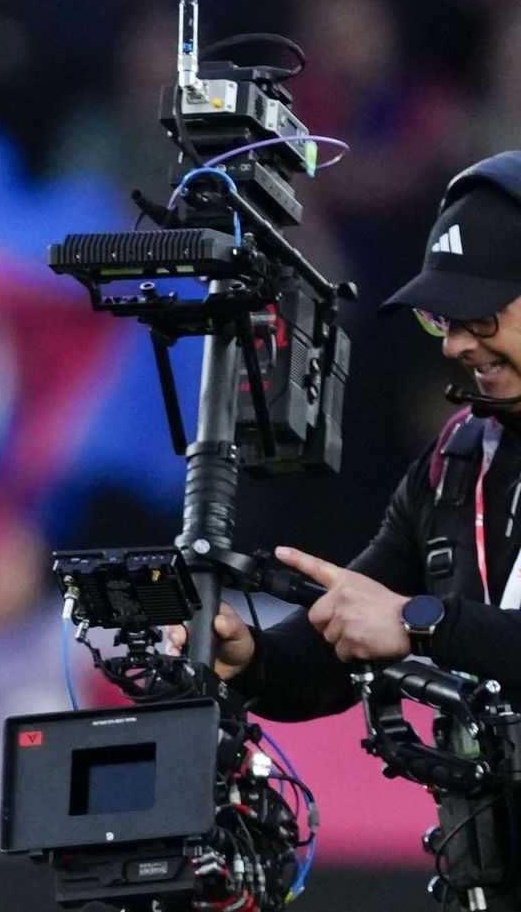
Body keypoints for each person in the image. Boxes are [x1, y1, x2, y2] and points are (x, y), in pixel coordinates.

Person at [176, 151, 521, 901]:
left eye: (481, 314)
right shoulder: (459, 460)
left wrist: (423, 621)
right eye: (443, 318)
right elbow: (347, 635)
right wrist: (254, 659)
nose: (456, 342)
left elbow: (404, 620)